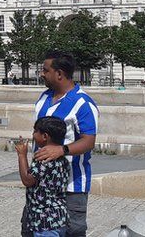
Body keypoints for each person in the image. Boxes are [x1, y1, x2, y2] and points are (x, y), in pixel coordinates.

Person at [21, 52, 98, 237]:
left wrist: (62, 150)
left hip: (71, 187)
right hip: (42, 188)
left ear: (59, 73)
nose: (41, 74)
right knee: (30, 230)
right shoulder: (44, 98)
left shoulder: (82, 103)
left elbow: (89, 141)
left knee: (72, 232)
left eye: (46, 70)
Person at [16, 117, 71, 237]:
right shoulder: (64, 160)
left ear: (45, 136)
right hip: (60, 219)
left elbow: (27, 180)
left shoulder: (42, 159)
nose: (33, 134)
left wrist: (21, 155)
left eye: (35, 131)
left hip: (45, 222)